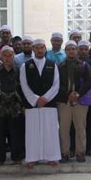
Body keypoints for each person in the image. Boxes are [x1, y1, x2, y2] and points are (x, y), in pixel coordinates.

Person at [20, 39, 61, 169]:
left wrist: (45, 98)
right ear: (33, 49)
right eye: (37, 47)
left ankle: (52, 157)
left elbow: (56, 85)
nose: (39, 50)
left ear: (45, 48)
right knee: (32, 132)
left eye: (42, 47)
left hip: (49, 104)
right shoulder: (25, 66)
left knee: (50, 131)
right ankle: (32, 158)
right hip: (32, 105)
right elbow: (24, 85)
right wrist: (35, 99)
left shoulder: (52, 64)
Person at [0, 46, 25, 165]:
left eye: (10, 55)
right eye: (5, 56)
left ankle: (17, 157)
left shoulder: (19, 71)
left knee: (16, 134)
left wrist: (24, 106)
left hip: (15, 108)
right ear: (1, 57)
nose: (7, 58)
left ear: (14, 57)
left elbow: (23, 89)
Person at [56, 40, 91, 163]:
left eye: (73, 48)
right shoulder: (60, 66)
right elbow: (57, 84)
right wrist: (68, 95)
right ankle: (65, 153)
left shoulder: (84, 65)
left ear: (76, 51)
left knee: (80, 127)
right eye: (68, 49)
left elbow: (89, 81)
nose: (71, 51)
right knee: (64, 128)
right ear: (65, 51)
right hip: (64, 101)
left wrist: (78, 94)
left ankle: (80, 152)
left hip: (80, 101)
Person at [78, 40, 91, 157]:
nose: (84, 51)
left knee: (88, 124)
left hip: (89, 99)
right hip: (76, 98)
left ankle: (89, 148)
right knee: (76, 125)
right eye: (81, 49)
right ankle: (76, 148)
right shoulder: (74, 63)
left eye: (86, 49)